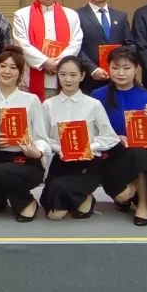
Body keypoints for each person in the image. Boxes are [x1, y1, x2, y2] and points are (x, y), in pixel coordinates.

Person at [91, 46, 147, 226]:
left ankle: (143, 205)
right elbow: (91, 132)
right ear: (108, 68)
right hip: (112, 154)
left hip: (145, 156)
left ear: (136, 69)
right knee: (123, 195)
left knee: (140, 155)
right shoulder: (97, 96)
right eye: (115, 67)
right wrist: (114, 138)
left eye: (126, 68)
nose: (121, 73)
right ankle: (131, 192)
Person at [0, 46, 50, 221]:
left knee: (3, 172)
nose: (7, 71)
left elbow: (42, 137)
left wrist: (36, 151)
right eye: (3, 66)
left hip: (26, 160)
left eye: (13, 67)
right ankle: (10, 192)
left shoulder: (31, 100)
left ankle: (27, 203)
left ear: (20, 73)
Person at [40, 56, 119, 220]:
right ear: (57, 75)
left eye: (73, 75)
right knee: (53, 214)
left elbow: (110, 137)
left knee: (59, 206)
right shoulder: (48, 105)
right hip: (61, 160)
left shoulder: (94, 104)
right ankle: (78, 198)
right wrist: (60, 149)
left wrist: (89, 147)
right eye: (63, 74)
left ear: (82, 76)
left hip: (88, 161)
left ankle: (85, 196)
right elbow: (43, 137)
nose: (68, 79)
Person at [12, 0, 83, 100]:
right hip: (31, 78)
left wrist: (59, 63)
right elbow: (21, 44)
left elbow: (76, 43)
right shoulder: (21, 15)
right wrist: (45, 62)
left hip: (62, 78)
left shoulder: (71, 15)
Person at [76, 0, 134, 93]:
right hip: (89, 78)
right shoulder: (77, 15)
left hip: (118, 77)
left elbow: (129, 44)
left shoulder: (120, 16)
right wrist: (92, 69)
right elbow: (76, 47)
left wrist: (123, 67)